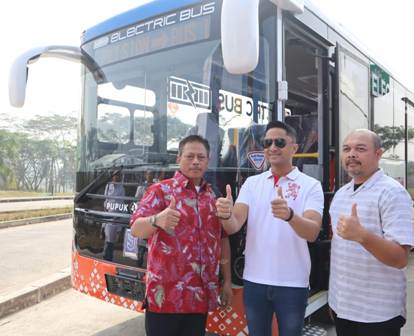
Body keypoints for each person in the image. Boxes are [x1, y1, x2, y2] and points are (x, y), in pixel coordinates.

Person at [216, 120, 324, 336]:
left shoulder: (310, 185)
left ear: (294, 147)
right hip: (255, 281)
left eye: (280, 142)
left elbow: (312, 232)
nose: (272, 147)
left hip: (292, 283)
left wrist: (290, 216)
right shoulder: (252, 184)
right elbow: (234, 225)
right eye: (267, 143)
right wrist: (225, 215)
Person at [130, 135, 233, 336]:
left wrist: (227, 281)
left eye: (201, 157)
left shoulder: (214, 195)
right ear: (179, 158)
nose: (195, 161)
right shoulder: (160, 191)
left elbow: (223, 239)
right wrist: (156, 220)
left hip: (199, 298)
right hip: (165, 298)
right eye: (190, 156)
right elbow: (135, 228)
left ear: (208, 160)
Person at [328, 129, 414, 336]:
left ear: (378, 154)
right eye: (346, 149)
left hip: (378, 314)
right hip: (343, 307)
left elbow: (400, 258)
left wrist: (363, 236)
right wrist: (334, 298)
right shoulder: (341, 194)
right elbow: (340, 252)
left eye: (360, 149)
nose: (351, 154)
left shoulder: (392, 193)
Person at [102, 171, 125, 261]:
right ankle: (106, 257)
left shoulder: (121, 188)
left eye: (118, 175)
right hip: (108, 216)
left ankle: (108, 257)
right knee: (108, 239)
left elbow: (122, 203)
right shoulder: (108, 186)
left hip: (117, 217)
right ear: (112, 176)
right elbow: (105, 200)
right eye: (115, 175)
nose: (116, 177)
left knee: (112, 240)